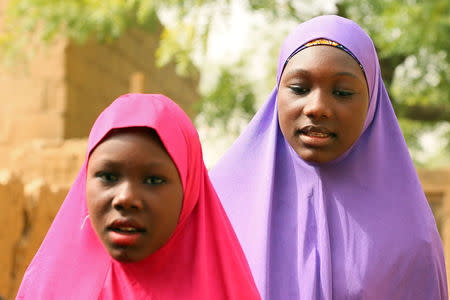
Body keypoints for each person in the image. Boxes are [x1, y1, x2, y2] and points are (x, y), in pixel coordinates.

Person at [209, 15, 447, 299]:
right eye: (299, 88)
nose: (317, 107)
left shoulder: (412, 237)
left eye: (342, 92)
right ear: (278, 93)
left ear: (371, 103)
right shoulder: (217, 207)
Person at [16, 94, 260, 299]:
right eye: (108, 176)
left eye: (153, 180)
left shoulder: (226, 292)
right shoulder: (48, 290)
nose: (125, 198)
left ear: (189, 190)